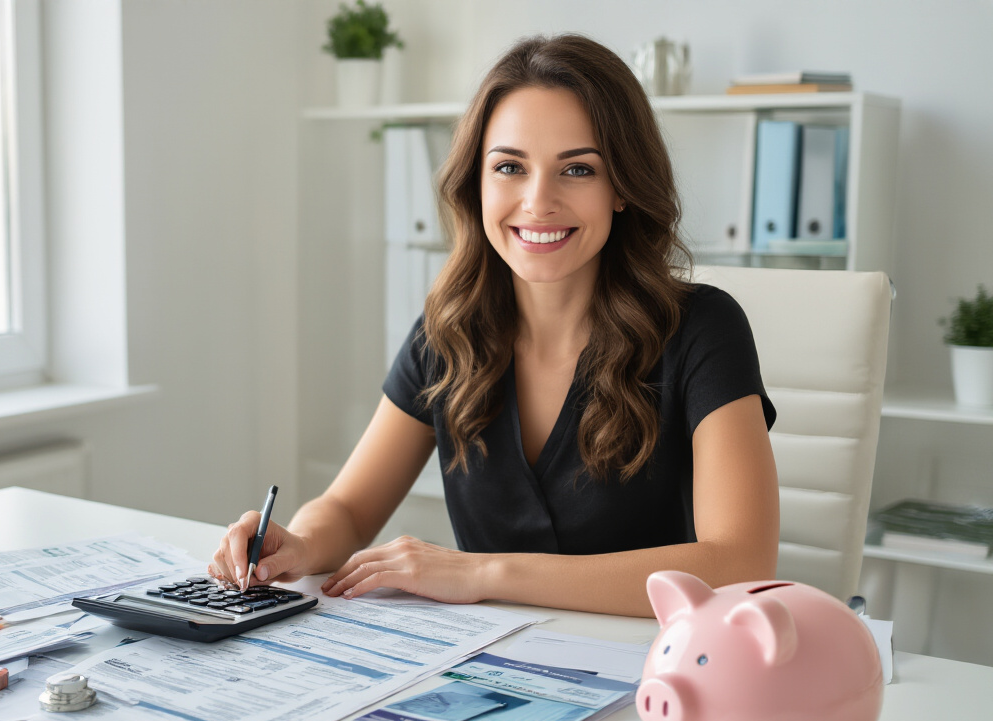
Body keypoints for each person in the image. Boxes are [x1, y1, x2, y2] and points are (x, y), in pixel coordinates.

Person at [211, 33, 779, 618]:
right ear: (475, 183)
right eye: (509, 166)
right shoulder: (447, 331)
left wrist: (483, 572)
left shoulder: (703, 329)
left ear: (622, 190)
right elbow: (351, 510)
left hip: (653, 672)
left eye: (578, 169)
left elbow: (740, 563)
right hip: (485, 668)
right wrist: (298, 546)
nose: (537, 202)